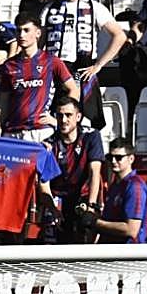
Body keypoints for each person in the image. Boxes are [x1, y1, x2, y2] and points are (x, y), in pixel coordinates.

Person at [41, 0, 126, 130]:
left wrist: (98, 65)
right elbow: (39, 43)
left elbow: (120, 35)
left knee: (87, 125)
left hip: (83, 70)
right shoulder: (49, 8)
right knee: (56, 123)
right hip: (56, 72)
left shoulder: (95, 7)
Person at [0, 13, 77, 140]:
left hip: (41, 131)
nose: (22, 35)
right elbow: (3, 102)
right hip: (13, 132)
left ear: (38, 33)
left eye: (26, 30)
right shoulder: (9, 65)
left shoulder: (51, 61)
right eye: (19, 31)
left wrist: (59, 119)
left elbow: (73, 89)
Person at [43, 95, 103, 244]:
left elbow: (95, 172)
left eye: (68, 115)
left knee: (84, 232)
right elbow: (43, 184)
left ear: (78, 117)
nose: (63, 120)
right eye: (60, 115)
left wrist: (91, 206)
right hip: (58, 198)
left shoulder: (91, 137)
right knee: (50, 234)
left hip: (82, 197)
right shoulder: (48, 145)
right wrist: (53, 209)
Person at [83, 137, 147, 244]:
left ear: (131, 159)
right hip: (112, 251)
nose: (113, 161)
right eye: (110, 157)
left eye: (119, 157)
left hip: (129, 254)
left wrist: (95, 222)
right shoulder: (115, 185)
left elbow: (131, 230)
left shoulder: (135, 186)